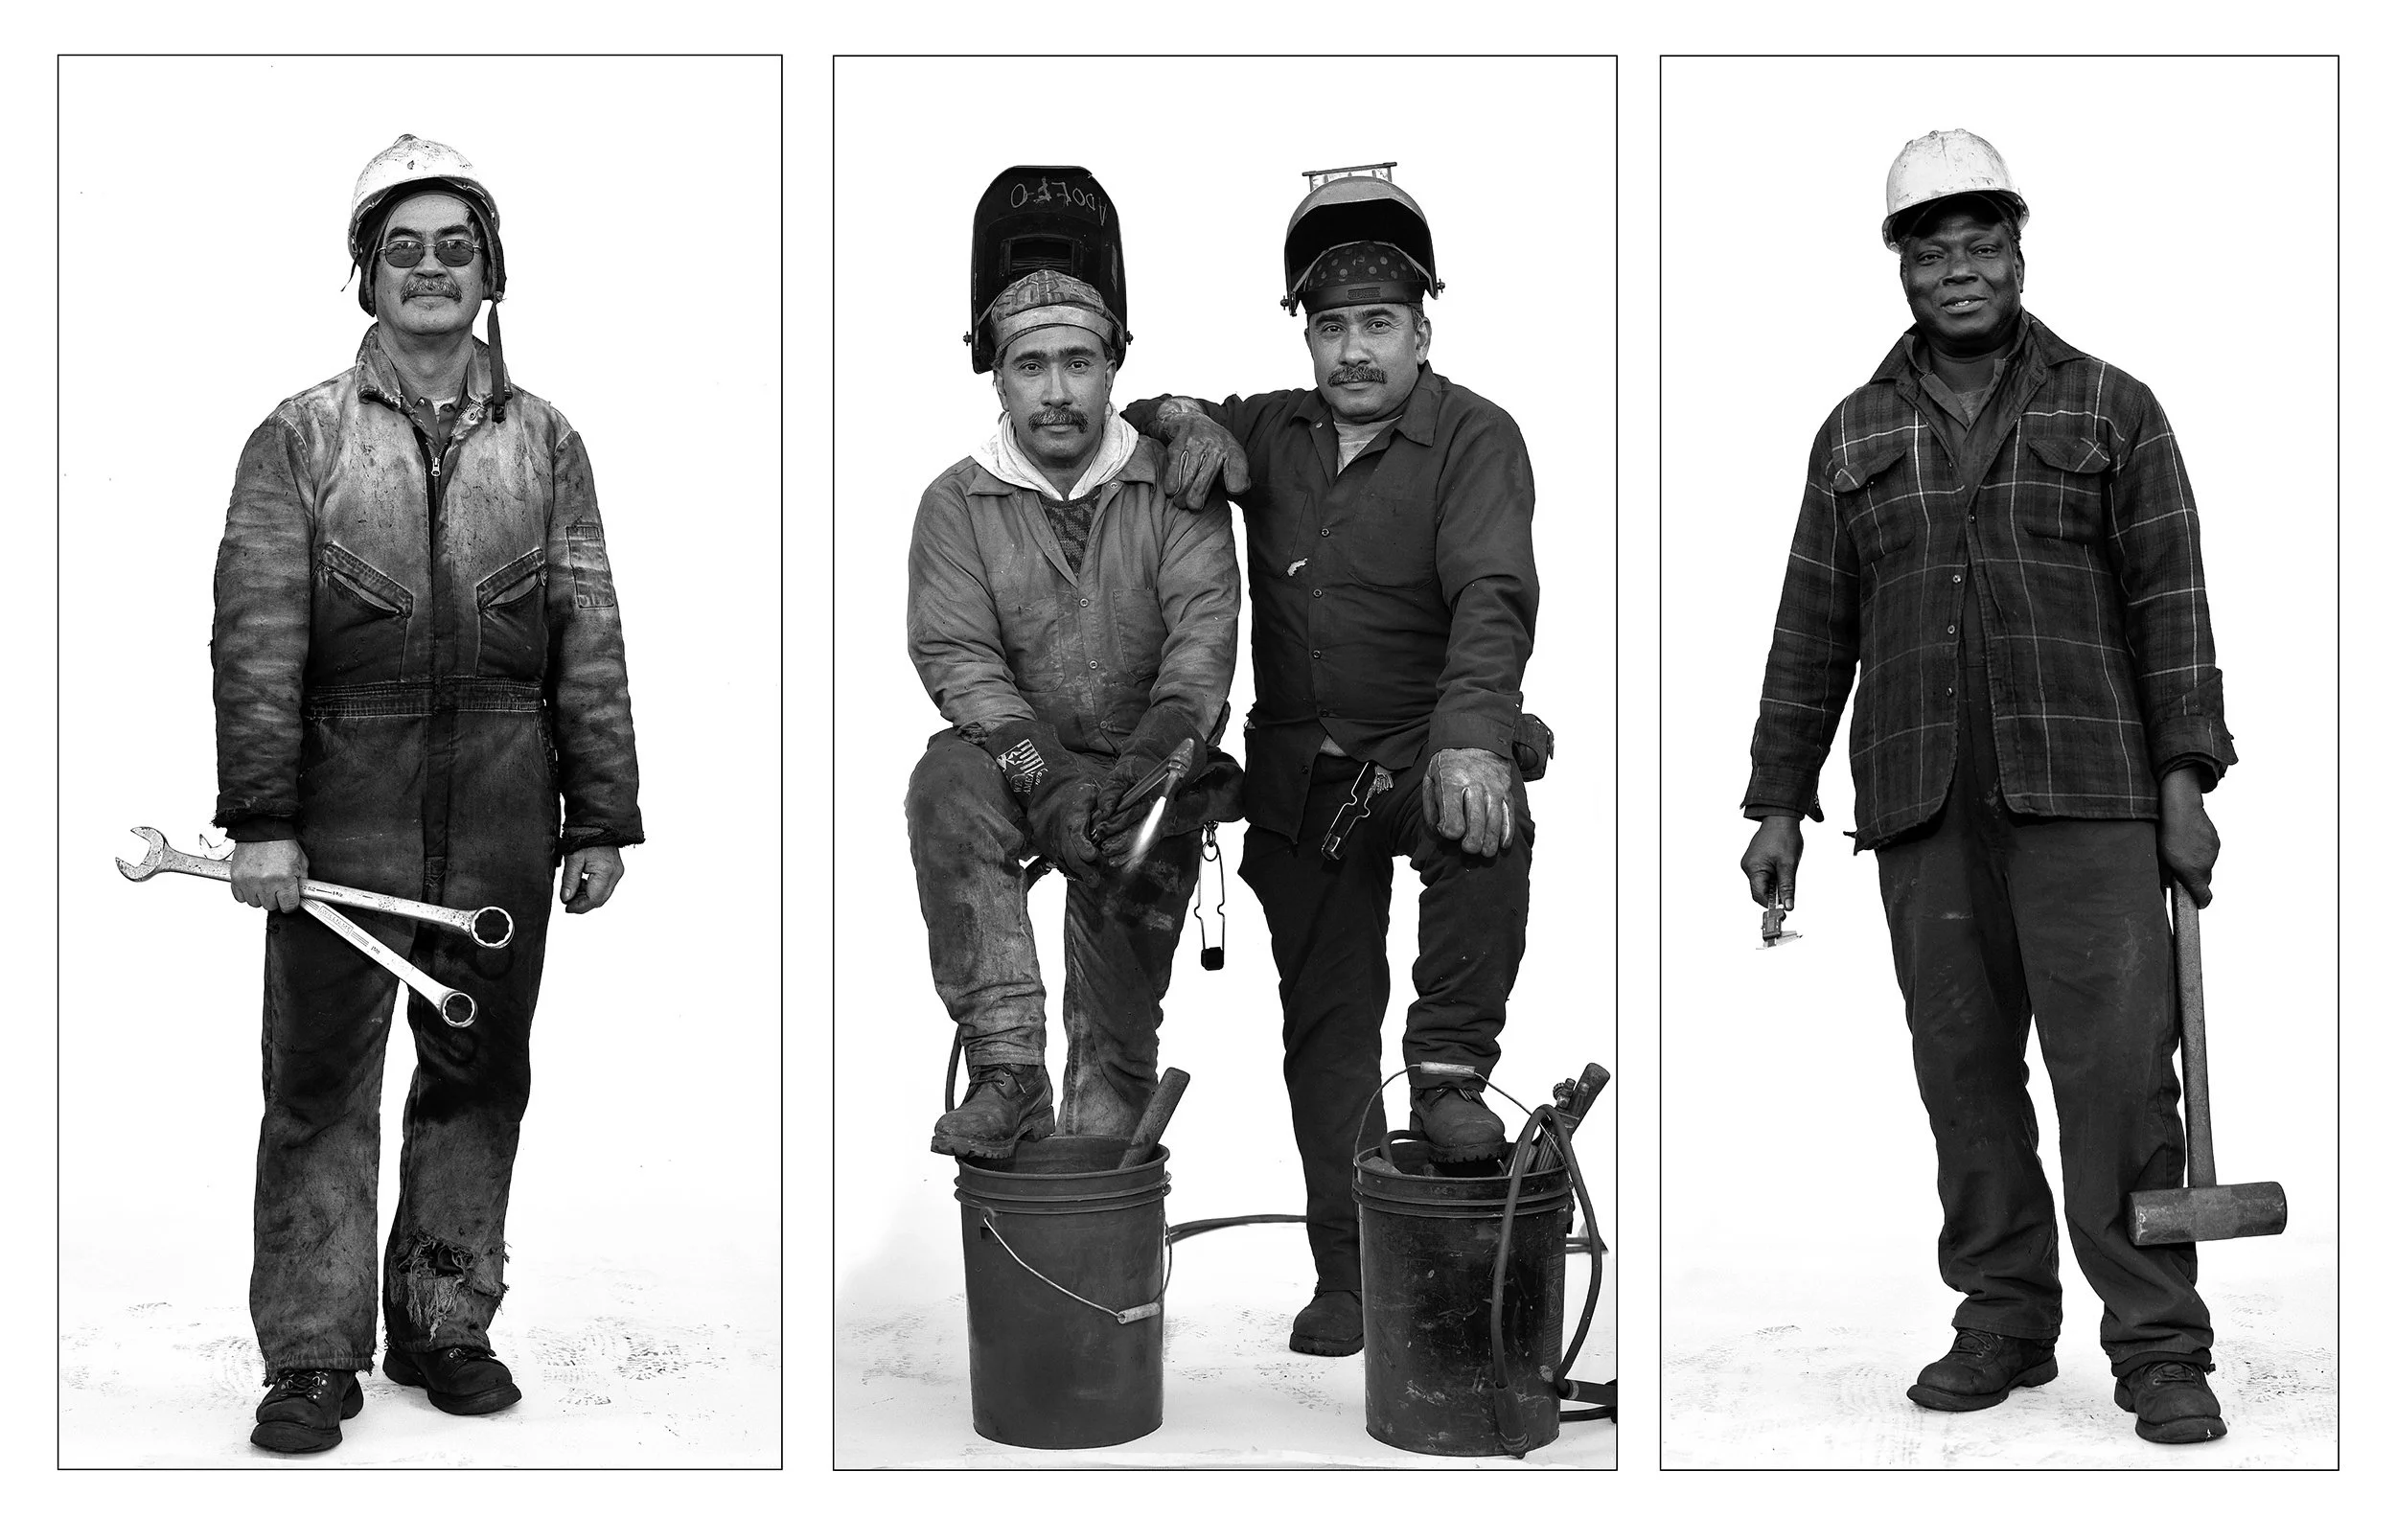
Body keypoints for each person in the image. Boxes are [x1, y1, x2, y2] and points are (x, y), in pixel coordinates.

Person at [1738, 129, 2234, 1444]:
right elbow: (1812, 626)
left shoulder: (2111, 408)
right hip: (1920, 800)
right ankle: (2005, 1317)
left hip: (2092, 793)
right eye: (1932, 247)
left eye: (1981, 243)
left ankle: (2159, 1342)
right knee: (1962, 1071)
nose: (1959, 269)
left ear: (2017, 249)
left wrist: (2187, 772)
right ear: (1901, 265)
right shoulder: (1856, 431)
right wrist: (1777, 799)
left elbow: (2170, 603)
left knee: (2121, 1075)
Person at [214, 134, 643, 1453]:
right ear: (365, 277)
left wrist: (602, 812)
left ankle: (446, 1320)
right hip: (346, 802)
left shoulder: (549, 441)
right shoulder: (300, 439)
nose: (430, 269)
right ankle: (312, 1353)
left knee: (478, 1073)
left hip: (510, 799)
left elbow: (589, 625)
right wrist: (265, 819)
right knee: (318, 1084)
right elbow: (257, 638)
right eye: (402, 247)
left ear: (491, 270)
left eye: (456, 246)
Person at [1130, 164, 1542, 1359]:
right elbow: (1148, 407)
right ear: (1304, 336)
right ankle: (1348, 1272)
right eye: (1331, 326)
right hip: (1304, 768)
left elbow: (1492, 592)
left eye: (1376, 324)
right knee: (1323, 1024)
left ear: (1422, 328)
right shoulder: (1274, 427)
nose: (1352, 349)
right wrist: (1180, 420)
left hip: (1425, 742)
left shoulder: (1474, 436)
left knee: (1488, 818)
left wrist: (1473, 732)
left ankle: (1453, 1066)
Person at [905, 170, 1240, 1161]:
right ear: (995, 375)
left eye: (1080, 362)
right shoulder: (956, 506)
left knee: (1116, 1055)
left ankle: (1101, 1160)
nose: (1056, 390)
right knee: (945, 786)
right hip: (1021, 759)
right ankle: (1006, 1070)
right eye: (1030, 364)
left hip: (1150, 764)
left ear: (1114, 366)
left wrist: (1153, 761)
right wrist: (1039, 776)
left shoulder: (1177, 490)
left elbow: (1201, 645)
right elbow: (960, 660)